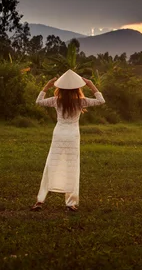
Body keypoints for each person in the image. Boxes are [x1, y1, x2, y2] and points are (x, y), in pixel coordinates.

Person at [32, 69, 105, 212]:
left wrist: (46, 87)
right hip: (72, 135)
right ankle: (70, 203)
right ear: (77, 88)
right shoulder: (80, 102)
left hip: (59, 134)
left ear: (60, 88)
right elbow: (101, 101)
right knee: (72, 166)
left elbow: (38, 101)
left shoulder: (55, 100)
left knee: (51, 164)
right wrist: (91, 85)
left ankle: (40, 201)